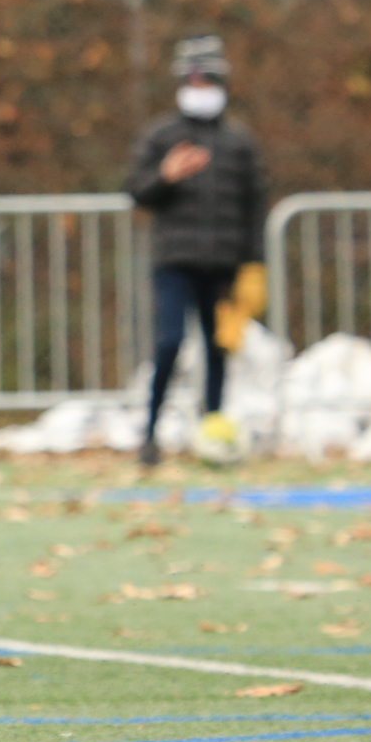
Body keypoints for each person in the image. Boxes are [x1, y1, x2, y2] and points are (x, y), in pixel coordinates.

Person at [123, 35, 268, 467]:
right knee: (169, 344)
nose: (200, 87)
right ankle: (149, 436)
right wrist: (166, 176)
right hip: (175, 263)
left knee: (218, 348)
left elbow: (254, 205)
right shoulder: (162, 135)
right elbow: (136, 191)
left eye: (207, 80)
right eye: (193, 79)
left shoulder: (239, 141)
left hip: (223, 266)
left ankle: (214, 432)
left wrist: (253, 265)